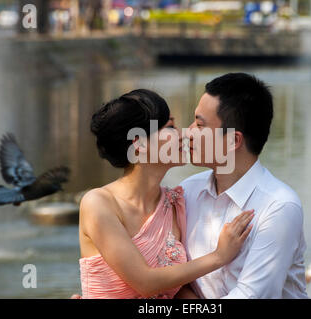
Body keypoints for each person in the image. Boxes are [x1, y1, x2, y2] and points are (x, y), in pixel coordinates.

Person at [75, 89, 254, 299]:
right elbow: (145, 282)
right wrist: (219, 256)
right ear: (139, 144)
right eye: (170, 127)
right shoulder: (99, 204)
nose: (183, 134)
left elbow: (180, 289)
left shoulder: (175, 202)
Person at [176, 73, 308, 299]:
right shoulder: (188, 191)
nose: (189, 132)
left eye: (199, 125)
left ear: (233, 141)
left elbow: (251, 296)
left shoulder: (278, 207)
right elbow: (174, 279)